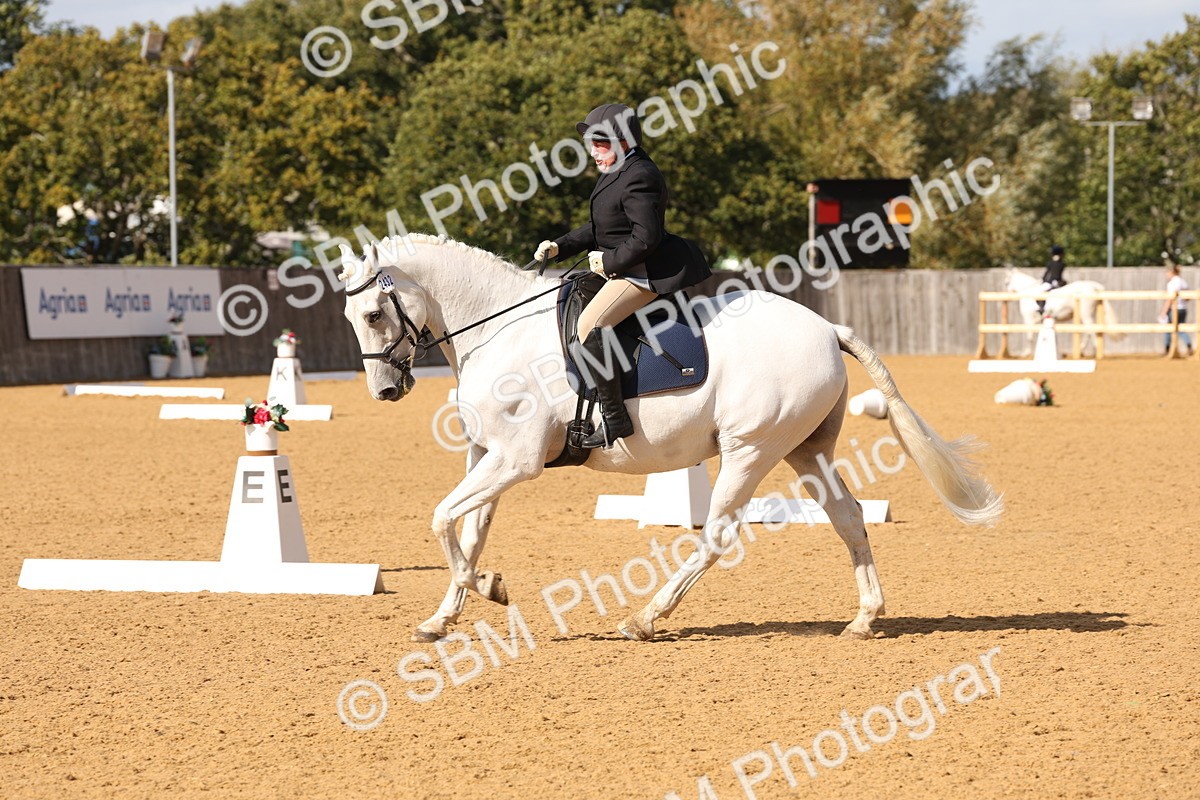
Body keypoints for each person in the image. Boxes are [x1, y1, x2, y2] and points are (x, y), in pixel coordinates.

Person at [534, 103, 711, 449]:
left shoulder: (640, 174)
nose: (593, 152)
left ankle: (616, 418)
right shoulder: (618, 169)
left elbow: (646, 238)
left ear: (622, 141)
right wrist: (560, 245)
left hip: (644, 273)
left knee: (590, 325)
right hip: (624, 266)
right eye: (591, 144)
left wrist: (608, 263)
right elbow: (600, 226)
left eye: (599, 143)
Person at [1157, 265, 1193, 356]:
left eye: (1167, 273)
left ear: (1171, 272)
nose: (1167, 275)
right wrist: (1182, 301)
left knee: (1169, 329)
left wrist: (1164, 312)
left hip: (1174, 310)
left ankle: (1167, 350)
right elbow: (1188, 297)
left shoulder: (1172, 283)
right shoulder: (1183, 282)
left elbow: (1170, 299)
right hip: (1183, 309)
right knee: (1181, 329)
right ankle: (1189, 347)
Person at [1036, 244, 1067, 317]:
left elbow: (1047, 273)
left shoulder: (1050, 263)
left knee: (1042, 292)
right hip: (1059, 281)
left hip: (1052, 281)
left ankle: (1042, 308)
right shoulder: (1062, 263)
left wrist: (1043, 279)